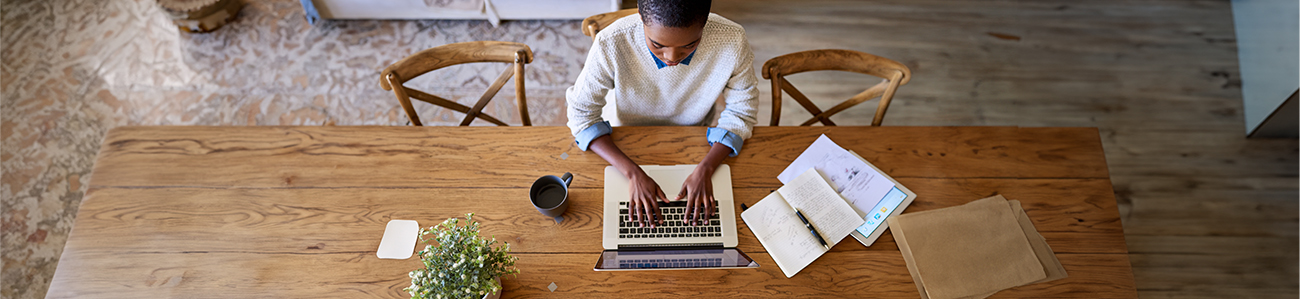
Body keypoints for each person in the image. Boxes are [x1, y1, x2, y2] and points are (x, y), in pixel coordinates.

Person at [566, 0, 759, 229]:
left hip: (695, 137)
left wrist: (707, 168)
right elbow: (581, 114)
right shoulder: (611, 41)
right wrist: (633, 174)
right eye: (657, 44)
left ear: (705, 23)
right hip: (624, 136)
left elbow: (742, 110)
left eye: (690, 45)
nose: (671, 58)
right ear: (640, 16)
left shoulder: (732, 40)